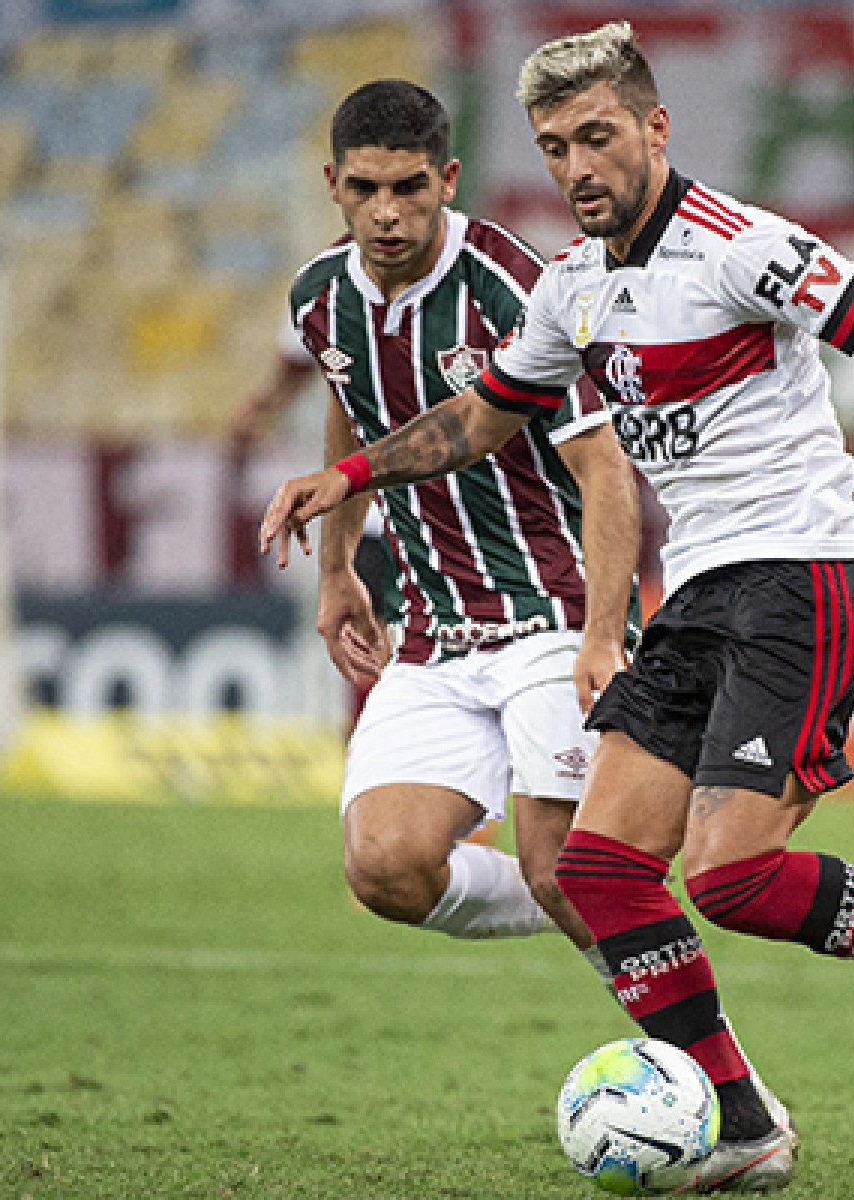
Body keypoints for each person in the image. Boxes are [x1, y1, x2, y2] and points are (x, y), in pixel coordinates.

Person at [262, 23, 854, 1193]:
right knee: (596, 872)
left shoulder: (737, 247)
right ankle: (745, 1123)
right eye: (554, 148)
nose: (577, 167)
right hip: (699, 595)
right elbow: (481, 420)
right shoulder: (574, 289)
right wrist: (342, 482)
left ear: (655, 128)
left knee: (733, 876)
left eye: (597, 136)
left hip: (803, 577)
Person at [275, 79, 644, 960]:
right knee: (385, 868)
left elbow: (605, 471)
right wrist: (336, 574)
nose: (387, 213)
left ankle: (728, 1087)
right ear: (334, 183)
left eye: (409, 188)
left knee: (562, 867)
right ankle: (601, 900)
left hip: (551, 611)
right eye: (365, 190)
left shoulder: (515, 286)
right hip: (436, 629)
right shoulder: (319, 295)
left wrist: (603, 635)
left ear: (448, 178)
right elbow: (353, 414)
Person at [229, 325, 401, 734]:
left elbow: (289, 375)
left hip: (426, 507)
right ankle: (369, 745)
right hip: (375, 511)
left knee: (390, 641)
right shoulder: (325, 295)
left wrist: (258, 407)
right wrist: (259, 407)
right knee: (372, 639)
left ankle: (374, 740)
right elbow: (293, 370)